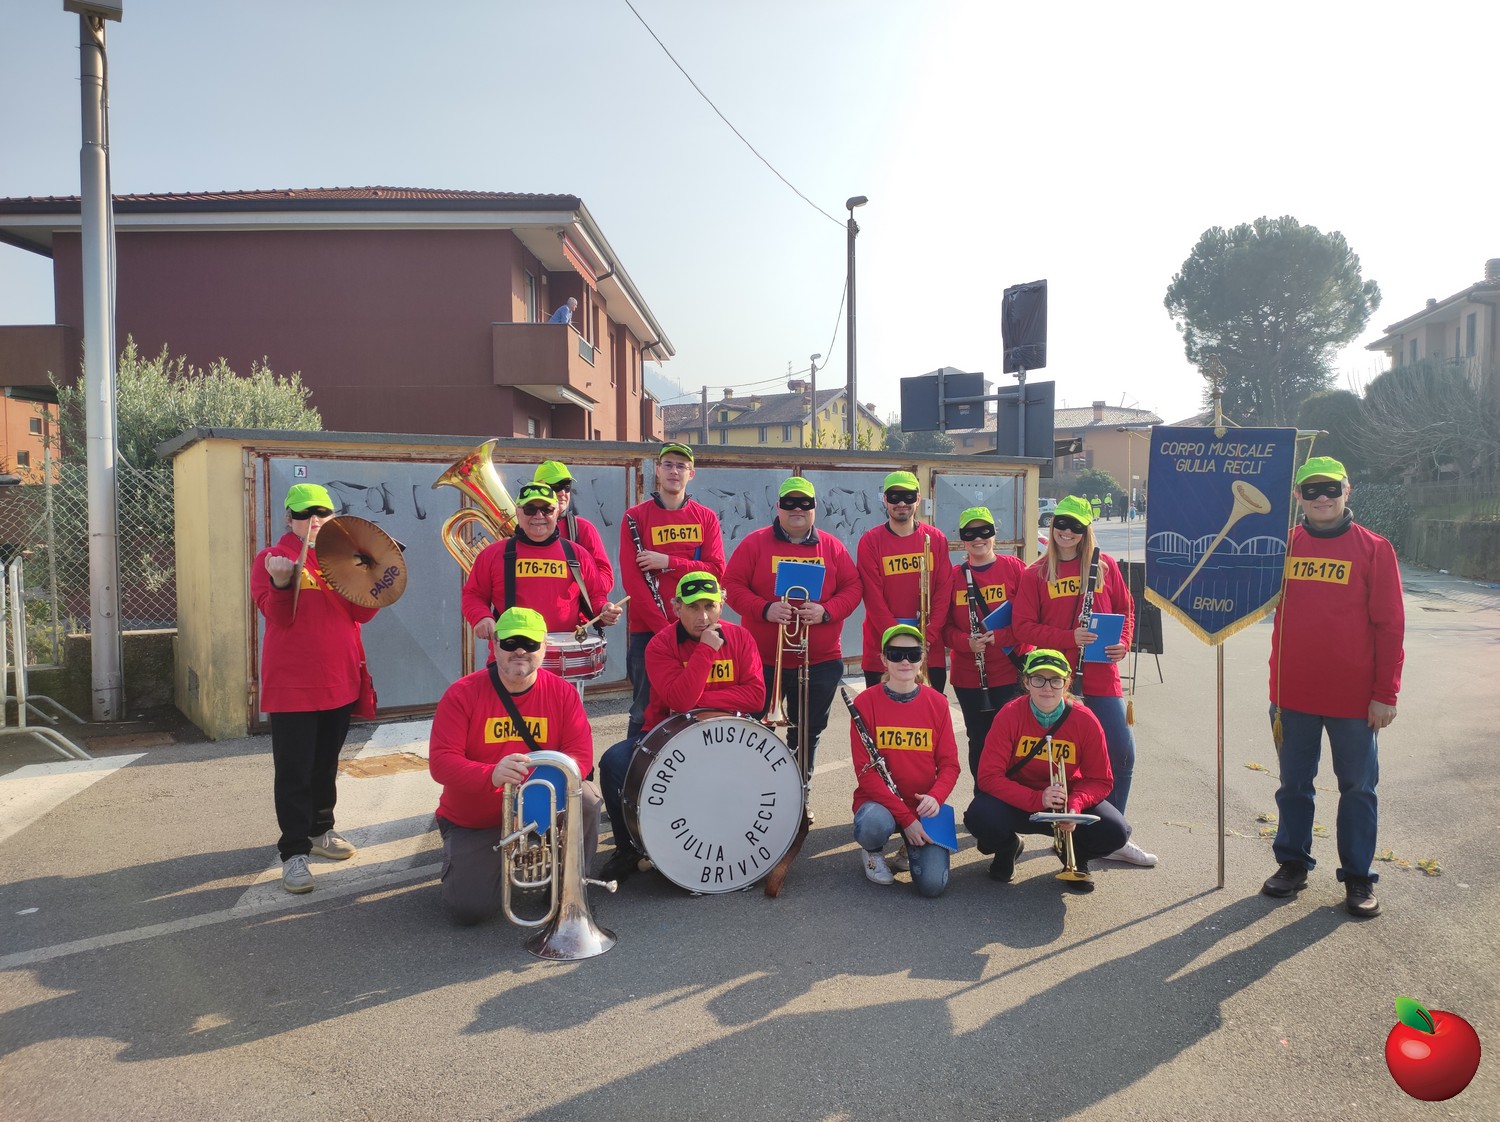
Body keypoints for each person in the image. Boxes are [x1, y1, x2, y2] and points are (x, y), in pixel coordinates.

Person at [1261, 456, 1404, 918]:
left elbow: (1390, 626)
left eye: (1331, 489)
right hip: (1292, 695)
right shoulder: (1281, 546)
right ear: (1297, 496)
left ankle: (1358, 876)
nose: (1322, 498)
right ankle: (1292, 863)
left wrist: (1386, 693)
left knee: (1358, 788)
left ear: (1347, 490)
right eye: (1312, 490)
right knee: (1294, 785)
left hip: (1355, 700)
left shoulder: (1375, 549)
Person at [427, 607, 601, 925]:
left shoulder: (563, 693)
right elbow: (441, 763)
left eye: (530, 643)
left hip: (541, 807)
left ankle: (570, 886)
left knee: (587, 797)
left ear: (544, 647)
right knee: (470, 910)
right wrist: (490, 774)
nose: (520, 650)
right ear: (494, 645)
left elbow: (579, 757)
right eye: (510, 642)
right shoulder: (461, 694)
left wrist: (533, 803)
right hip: (478, 819)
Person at [1012, 495, 1157, 867]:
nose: (1067, 531)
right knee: (1062, 760)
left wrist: (1123, 641)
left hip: (1100, 674)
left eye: (1076, 525)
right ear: (1053, 525)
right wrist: (1068, 637)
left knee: (1121, 752)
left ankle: (1113, 835)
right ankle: (1065, 830)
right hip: (1056, 679)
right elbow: (1022, 627)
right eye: (1061, 523)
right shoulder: (1036, 572)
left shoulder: (1104, 565)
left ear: (1086, 529)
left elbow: (1125, 608)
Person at [596, 572, 765, 882]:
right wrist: (706, 650)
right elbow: (680, 702)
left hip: (729, 733)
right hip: (669, 732)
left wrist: (700, 699)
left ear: (721, 605)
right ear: (676, 608)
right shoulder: (660, 645)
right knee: (613, 763)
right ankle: (627, 848)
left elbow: (756, 696)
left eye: (709, 606)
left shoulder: (741, 637)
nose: (703, 617)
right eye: (692, 607)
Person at [252, 483, 378, 894]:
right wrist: (281, 583)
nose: (314, 520)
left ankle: (321, 829)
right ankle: (294, 852)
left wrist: (375, 571)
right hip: (293, 685)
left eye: (322, 512)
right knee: (294, 771)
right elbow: (277, 617)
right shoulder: (272, 558)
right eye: (305, 513)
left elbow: (363, 613)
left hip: (339, 678)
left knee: (325, 763)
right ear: (289, 518)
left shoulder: (341, 558)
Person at [724, 475, 862, 780]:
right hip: (762, 662)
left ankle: (799, 791)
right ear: (778, 507)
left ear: (814, 508)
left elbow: (853, 588)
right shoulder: (754, 543)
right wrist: (765, 609)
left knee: (807, 733)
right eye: (789, 502)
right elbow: (731, 585)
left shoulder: (832, 547)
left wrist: (827, 611)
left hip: (819, 663)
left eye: (804, 502)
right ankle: (754, 788)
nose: (797, 508)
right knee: (754, 731)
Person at [964, 649, 1130, 892]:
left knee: (1116, 831)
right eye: (1038, 679)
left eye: (1055, 680)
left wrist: (1075, 806)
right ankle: (1007, 847)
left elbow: (1100, 780)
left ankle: (1075, 857)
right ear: (1026, 682)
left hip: (1065, 802)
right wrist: (1037, 798)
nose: (1047, 687)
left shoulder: (1086, 720)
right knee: (979, 816)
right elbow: (989, 777)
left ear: (1067, 682)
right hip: (1021, 801)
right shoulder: (1009, 715)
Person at [619, 442, 726, 740]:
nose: (674, 471)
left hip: (697, 628)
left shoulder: (705, 517)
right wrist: (667, 631)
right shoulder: (634, 517)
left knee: (697, 704)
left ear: (691, 474)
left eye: (681, 466)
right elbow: (633, 583)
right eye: (668, 465)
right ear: (657, 470)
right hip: (649, 631)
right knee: (644, 709)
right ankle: (634, 767)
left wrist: (668, 562)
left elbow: (716, 571)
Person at [849, 625, 960, 897]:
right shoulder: (865, 702)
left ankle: (907, 848)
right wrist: (906, 819)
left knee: (933, 886)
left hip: (922, 806)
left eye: (913, 654)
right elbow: (866, 773)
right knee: (873, 824)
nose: (905, 661)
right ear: (884, 659)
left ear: (922, 659)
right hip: (880, 804)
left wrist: (936, 797)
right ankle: (873, 851)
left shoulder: (938, 703)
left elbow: (950, 765)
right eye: (896, 654)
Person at [462, 481, 620, 640]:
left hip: (568, 651)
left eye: (547, 509)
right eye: (530, 509)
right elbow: (474, 595)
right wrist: (481, 617)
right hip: (513, 652)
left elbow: (596, 596)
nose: (539, 516)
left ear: (557, 512)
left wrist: (603, 610)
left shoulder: (578, 554)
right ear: (517, 513)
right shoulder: (492, 554)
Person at [941, 506, 1028, 780]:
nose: (978, 538)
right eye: (970, 534)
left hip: (1011, 672)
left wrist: (1003, 636)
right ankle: (984, 795)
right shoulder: (953, 576)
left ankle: (1013, 796)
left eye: (984, 531)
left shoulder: (1015, 568)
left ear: (994, 534)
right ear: (962, 539)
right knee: (978, 740)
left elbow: (1032, 619)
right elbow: (943, 628)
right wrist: (965, 642)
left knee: (1013, 742)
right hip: (970, 677)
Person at [857, 470, 954, 692]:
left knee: (927, 711)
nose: (901, 503)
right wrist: (897, 639)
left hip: (928, 647)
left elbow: (943, 591)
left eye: (908, 496)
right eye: (895, 497)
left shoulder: (936, 539)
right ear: (885, 500)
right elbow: (873, 597)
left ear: (918, 499)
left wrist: (927, 637)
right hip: (884, 646)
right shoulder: (870, 541)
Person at [534, 459, 613, 591]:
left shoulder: (583, 528)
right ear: (537, 489)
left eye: (567, 487)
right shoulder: (523, 528)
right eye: (555, 486)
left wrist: (576, 581)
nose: (562, 493)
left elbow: (605, 578)